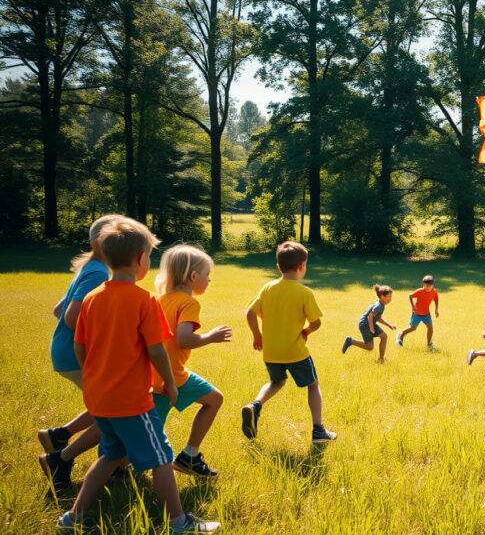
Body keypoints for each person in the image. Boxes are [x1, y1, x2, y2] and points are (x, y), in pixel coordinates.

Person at [57, 217, 219, 533]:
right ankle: (179, 522)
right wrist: (170, 383)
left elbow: (80, 346)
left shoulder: (92, 298)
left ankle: (71, 519)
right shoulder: (143, 300)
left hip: (99, 396)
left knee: (110, 455)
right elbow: (158, 351)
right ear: (141, 260)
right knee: (161, 457)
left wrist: (93, 375)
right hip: (131, 400)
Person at [39, 214, 121, 491]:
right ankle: (61, 458)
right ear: (100, 243)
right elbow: (73, 316)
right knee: (117, 414)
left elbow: (57, 310)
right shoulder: (98, 272)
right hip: (77, 356)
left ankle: (59, 436)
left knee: (107, 408)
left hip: (65, 353)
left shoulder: (89, 268)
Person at [241, 242, 335, 444]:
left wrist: (257, 336)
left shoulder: (267, 288)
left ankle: (255, 405)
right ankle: (318, 430)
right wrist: (306, 331)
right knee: (313, 385)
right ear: (302, 266)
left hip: (272, 351)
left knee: (277, 382)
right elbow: (316, 322)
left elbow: (249, 313)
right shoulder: (304, 292)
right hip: (296, 351)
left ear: (278, 267)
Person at [152, 244, 232, 477]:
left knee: (214, 398)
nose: (209, 280)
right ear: (193, 276)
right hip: (170, 378)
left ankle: (190, 456)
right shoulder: (189, 303)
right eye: (208, 275)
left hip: (158, 373)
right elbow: (184, 339)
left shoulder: (160, 299)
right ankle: (188, 456)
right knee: (149, 437)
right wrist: (210, 337)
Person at [343, 284, 397, 362]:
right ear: (382, 296)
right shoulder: (379, 306)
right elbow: (370, 316)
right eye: (389, 296)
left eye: (391, 296)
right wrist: (371, 328)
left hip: (370, 323)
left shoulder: (381, 305)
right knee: (369, 347)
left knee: (384, 337)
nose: (390, 299)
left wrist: (389, 325)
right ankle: (350, 341)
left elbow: (378, 318)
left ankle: (381, 359)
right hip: (365, 324)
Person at [397, 275, 440, 351]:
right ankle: (401, 335)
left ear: (433, 285)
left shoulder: (434, 292)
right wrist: (413, 306)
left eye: (430, 285)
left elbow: (436, 299)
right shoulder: (420, 291)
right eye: (426, 285)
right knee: (413, 328)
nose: (428, 287)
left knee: (430, 328)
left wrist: (436, 309)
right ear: (423, 285)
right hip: (417, 314)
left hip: (426, 314)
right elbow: (410, 296)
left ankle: (429, 344)